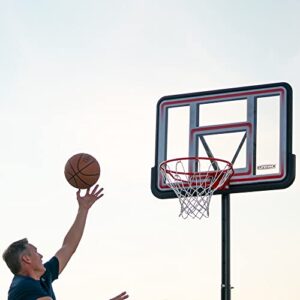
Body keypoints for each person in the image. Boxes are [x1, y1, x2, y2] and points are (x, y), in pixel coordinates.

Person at [2, 185, 129, 300]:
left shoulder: (42, 276)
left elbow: (68, 247)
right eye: (36, 252)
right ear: (27, 259)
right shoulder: (24, 287)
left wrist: (83, 209)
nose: (41, 256)